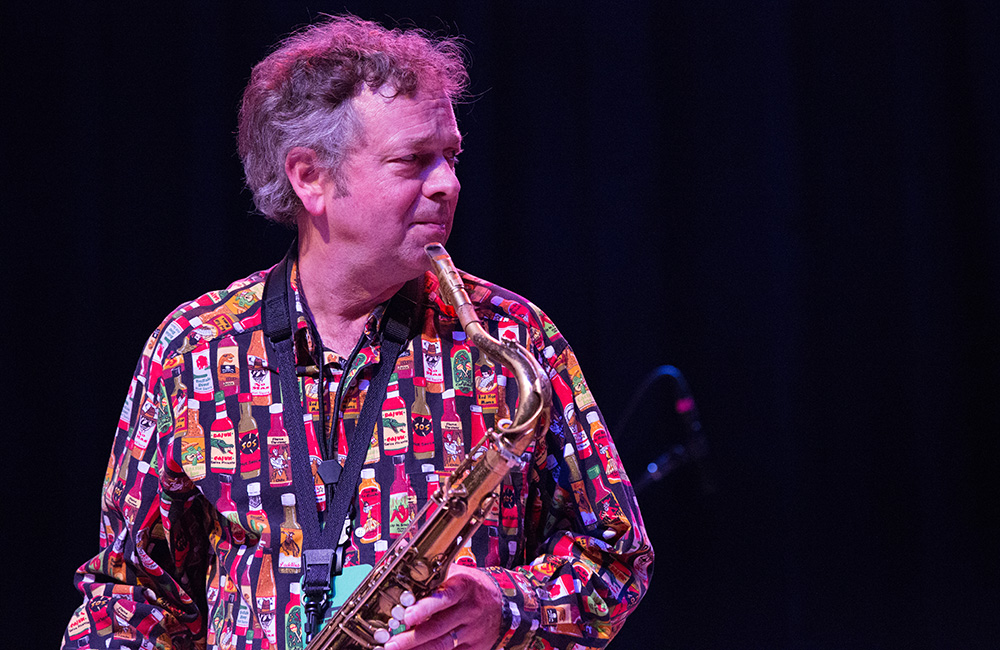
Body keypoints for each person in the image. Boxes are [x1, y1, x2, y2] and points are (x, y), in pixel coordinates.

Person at [63, 15, 652, 650]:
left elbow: (617, 558)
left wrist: (505, 606)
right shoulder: (194, 348)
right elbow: (130, 598)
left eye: (451, 156)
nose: (448, 184)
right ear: (310, 177)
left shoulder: (514, 340)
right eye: (413, 161)